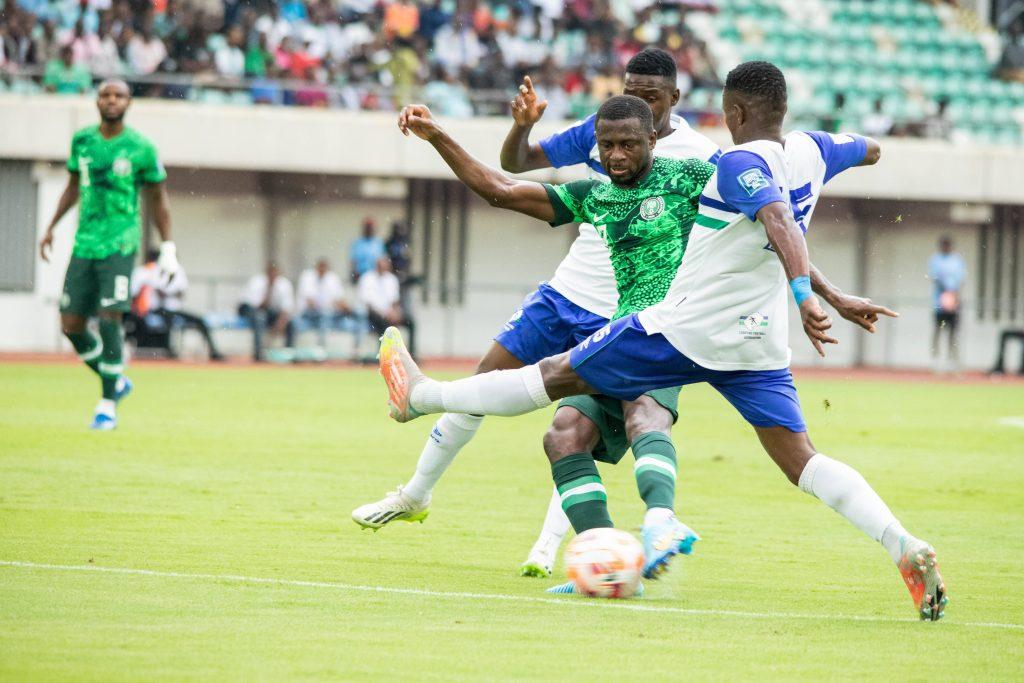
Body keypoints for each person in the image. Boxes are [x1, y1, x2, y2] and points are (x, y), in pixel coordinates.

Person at [377, 62, 947, 622]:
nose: (615, 156)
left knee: (558, 378)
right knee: (801, 461)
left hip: (684, 328)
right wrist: (834, 284)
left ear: (732, 112)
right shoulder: (815, 150)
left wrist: (808, 294)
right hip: (758, 342)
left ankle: (422, 397)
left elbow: (774, 216)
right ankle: (902, 544)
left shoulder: (726, 164)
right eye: (607, 146)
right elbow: (863, 152)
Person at [39, 79, 176, 430]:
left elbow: (158, 199)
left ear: (129, 103)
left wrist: (169, 249)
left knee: (109, 316)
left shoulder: (141, 147)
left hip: (120, 243)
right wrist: (52, 225)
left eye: (119, 95)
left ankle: (106, 406)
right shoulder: (82, 141)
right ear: (97, 100)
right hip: (85, 242)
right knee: (71, 324)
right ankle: (115, 380)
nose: (112, 100)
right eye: (106, 95)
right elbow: (73, 186)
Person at [129, 249, 225, 360]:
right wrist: (170, 293)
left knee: (200, 321)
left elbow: (180, 293)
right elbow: (159, 292)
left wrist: (167, 293)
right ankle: (169, 350)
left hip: (175, 309)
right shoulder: (154, 270)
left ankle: (214, 352)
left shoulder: (179, 270)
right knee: (168, 320)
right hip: (158, 309)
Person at [297, 258, 360, 350]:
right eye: (320, 268)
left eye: (324, 268)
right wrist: (330, 305)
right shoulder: (307, 276)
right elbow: (311, 303)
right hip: (309, 315)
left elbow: (340, 299)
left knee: (354, 319)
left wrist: (347, 308)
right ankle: (321, 349)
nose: (322, 270)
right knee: (324, 314)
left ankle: (356, 350)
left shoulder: (332, 278)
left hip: (331, 315)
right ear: (316, 268)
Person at [359, 256, 416, 357]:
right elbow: (368, 303)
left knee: (410, 322)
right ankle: (384, 355)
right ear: (376, 266)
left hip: (389, 312)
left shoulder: (391, 279)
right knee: (383, 323)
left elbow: (395, 300)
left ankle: (411, 355)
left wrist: (396, 312)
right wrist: (384, 314)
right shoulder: (367, 278)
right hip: (373, 313)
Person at [239, 262, 295, 361]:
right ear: (266, 273)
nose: (273, 276)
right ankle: (258, 354)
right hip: (249, 309)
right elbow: (259, 306)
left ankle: (289, 354)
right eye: (270, 273)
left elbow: (286, 309)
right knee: (260, 318)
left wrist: (279, 324)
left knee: (291, 323)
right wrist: (269, 288)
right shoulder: (256, 282)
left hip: (268, 312)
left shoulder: (284, 284)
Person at [927, 236, 965, 369]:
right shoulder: (935, 259)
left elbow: (960, 281)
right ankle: (935, 359)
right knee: (938, 330)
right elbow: (935, 277)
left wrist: (953, 296)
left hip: (953, 302)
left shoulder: (957, 260)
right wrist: (945, 293)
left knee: (953, 332)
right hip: (939, 303)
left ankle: (951, 360)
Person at [349, 217, 385, 283]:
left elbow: (382, 261)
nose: (369, 230)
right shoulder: (357, 243)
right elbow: (353, 261)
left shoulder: (379, 243)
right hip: (360, 276)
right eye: (367, 227)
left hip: (375, 277)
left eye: (371, 227)